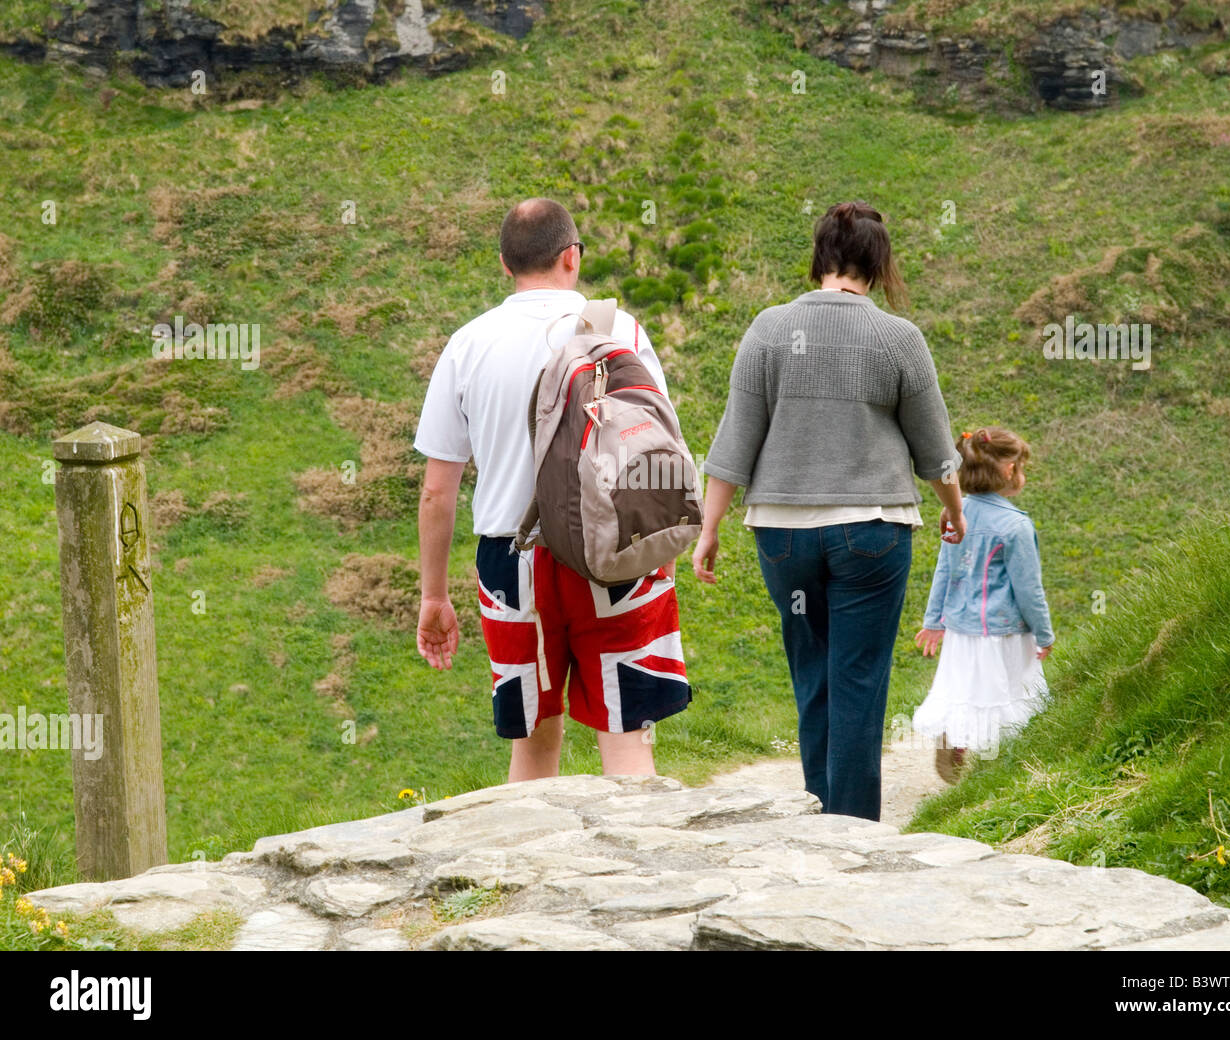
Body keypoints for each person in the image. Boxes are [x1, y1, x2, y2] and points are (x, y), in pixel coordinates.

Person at [692, 200, 965, 821]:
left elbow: (735, 440)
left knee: (812, 670)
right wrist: (954, 512)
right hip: (871, 534)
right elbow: (936, 452)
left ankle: (815, 820)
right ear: (878, 262)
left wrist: (709, 529)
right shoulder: (898, 338)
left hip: (784, 540)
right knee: (858, 680)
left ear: (820, 258)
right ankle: (852, 832)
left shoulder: (768, 329)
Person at [413, 198, 691, 781]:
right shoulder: (621, 331)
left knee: (534, 741)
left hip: (511, 562)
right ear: (572, 256)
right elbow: (657, 442)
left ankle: (526, 873)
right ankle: (632, 869)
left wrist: (434, 596)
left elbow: (438, 492)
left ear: (504, 265)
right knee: (628, 737)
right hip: (615, 551)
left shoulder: (468, 344)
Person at [912, 426, 1054, 783]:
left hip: (960, 630)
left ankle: (957, 742)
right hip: (1003, 631)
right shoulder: (1015, 526)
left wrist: (934, 621)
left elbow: (944, 570)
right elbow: (1029, 590)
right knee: (1007, 697)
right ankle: (1003, 771)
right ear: (1010, 471)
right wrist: (1044, 632)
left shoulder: (954, 514)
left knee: (966, 692)